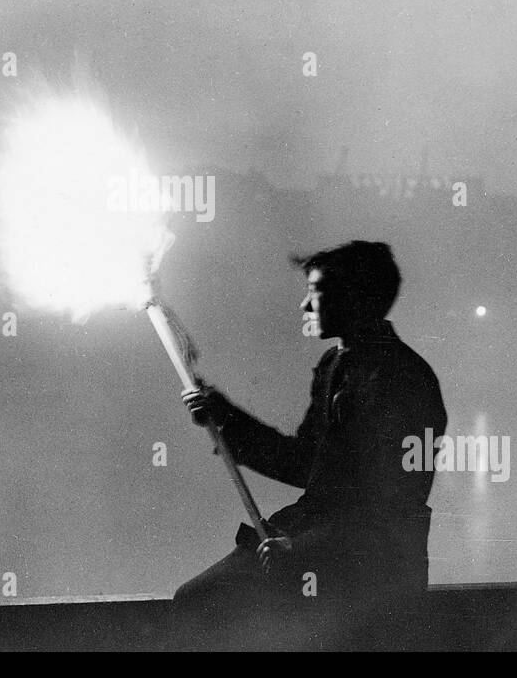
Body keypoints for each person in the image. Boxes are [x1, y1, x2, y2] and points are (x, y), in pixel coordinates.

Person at [172, 240, 447, 647]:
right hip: (313, 545)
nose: (305, 306)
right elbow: (305, 462)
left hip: (368, 561)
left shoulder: (403, 379)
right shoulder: (334, 365)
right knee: (197, 600)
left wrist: (302, 551)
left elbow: (391, 503)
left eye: (316, 291)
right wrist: (227, 418)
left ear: (356, 297)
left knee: (208, 603)